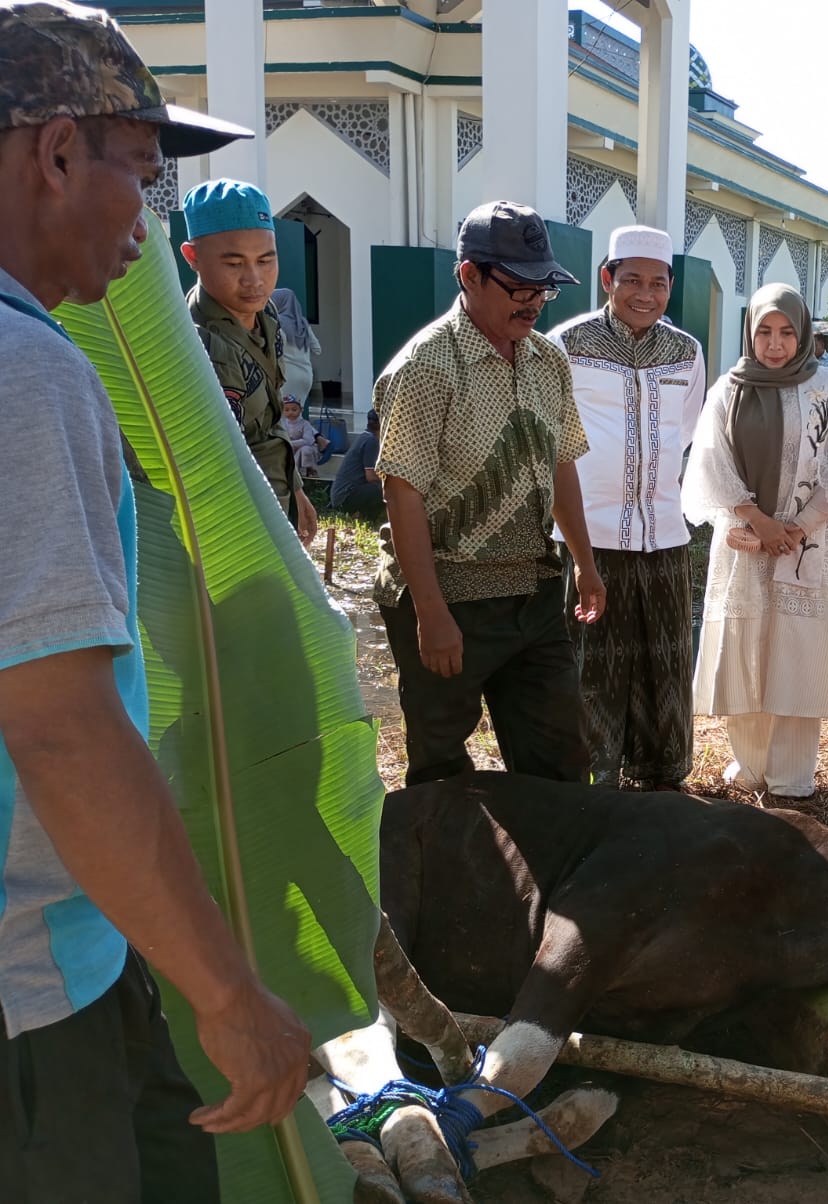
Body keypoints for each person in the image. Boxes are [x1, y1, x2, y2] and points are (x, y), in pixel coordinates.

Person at [0, 3, 312, 1198]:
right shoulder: (29, 377)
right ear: (56, 154)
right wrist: (230, 995)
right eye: (145, 174)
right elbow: (59, 724)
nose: (152, 217)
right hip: (31, 991)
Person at [373, 200, 602, 787]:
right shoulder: (426, 366)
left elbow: (561, 468)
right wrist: (430, 614)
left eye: (543, 286)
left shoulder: (548, 360)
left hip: (533, 592)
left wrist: (585, 563)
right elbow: (404, 495)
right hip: (449, 597)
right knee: (442, 766)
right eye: (517, 285)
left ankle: (550, 878)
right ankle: (447, 878)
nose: (532, 300)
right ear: (468, 275)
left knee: (561, 764)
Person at [683, 283, 828, 799]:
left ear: (804, 334)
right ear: (750, 332)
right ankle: (750, 765)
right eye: (764, 331)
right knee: (748, 649)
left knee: (797, 652)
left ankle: (791, 775)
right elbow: (709, 461)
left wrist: (800, 526)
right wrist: (756, 520)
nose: (775, 344)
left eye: (787, 332)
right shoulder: (729, 388)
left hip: (807, 545)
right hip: (746, 543)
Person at [549, 225, 706, 790]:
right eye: (632, 280)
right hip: (588, 536)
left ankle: (661, 774)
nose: (646, 293)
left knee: (664, 657)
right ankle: (599, 774)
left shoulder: (686, 351)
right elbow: (554, 441)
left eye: (658, 283)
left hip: (664, 531)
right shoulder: (569, 345)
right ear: (606, 279)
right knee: (595, 659)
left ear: (670, 286)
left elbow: (684, 433)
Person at [181, 178, 317, 546]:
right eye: (234, 263)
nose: (254, 280)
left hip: (278, 502)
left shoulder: (267, 314)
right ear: (192, 257)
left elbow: (271, 417)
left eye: (266, 260)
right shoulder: (193, 341)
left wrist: (297, 489)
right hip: (235, 529)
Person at [270, 284, 320, 408]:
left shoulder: (278, 321)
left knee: (285, 416)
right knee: (297, 415)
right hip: (306, 377)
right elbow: (317, 349)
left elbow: (278, 347)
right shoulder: (303, 323)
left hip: (287, 377)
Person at [330, 407, 383, 518]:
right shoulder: (371, 441)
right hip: (346, 496)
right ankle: (363, 516)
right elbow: (371, 477)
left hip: (340, 495)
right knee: (383, 489)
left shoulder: (364, 436)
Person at [278, 395, 326, 478]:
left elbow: (308, 440)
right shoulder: (282, 423)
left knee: (306, 450)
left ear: (301, 410)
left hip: (304, 446)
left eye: (294, 409)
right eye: (287, 410)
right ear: (283, 411)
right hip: (290, 447)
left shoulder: (305, 424)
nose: (290, 412)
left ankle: (311, 469)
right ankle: (294, 471)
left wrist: (291, 443)